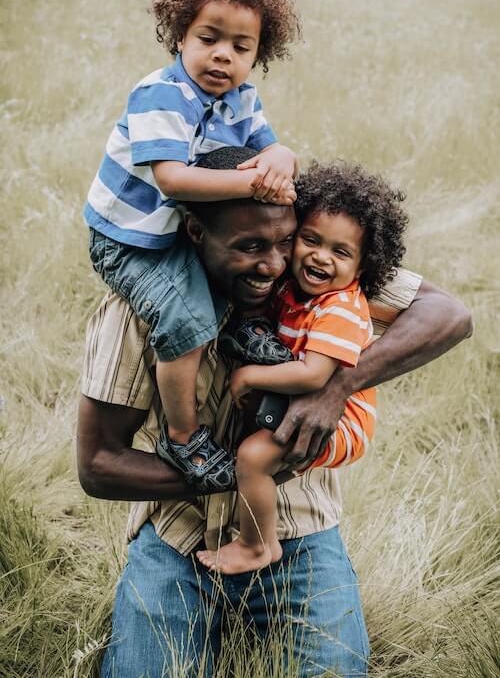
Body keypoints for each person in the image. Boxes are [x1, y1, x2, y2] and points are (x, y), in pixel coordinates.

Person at [77, 147, 472, 678]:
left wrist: (337, 387)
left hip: (300, 529)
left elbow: (449, 314)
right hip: (177, 536)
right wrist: (244, 473)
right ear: (195, 233)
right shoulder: (141, 308)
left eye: (285, 241)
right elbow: (98, 464)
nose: (271, 263)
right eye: (248, 247)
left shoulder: (314, 273)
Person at [83, 0, 301, 489]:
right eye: (209, 38)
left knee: (231, 269)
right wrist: (257, 179)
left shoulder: (242, 97)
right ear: (179, 35)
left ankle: (237, 331)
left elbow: (270, 148)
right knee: (184, 318)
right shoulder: (162, 93)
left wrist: (283, 157)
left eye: (240, 46)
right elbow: (174, 180)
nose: (222, 56)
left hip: (180, 232)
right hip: (130, 239)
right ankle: (183, 438)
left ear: (258, 55)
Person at [196, 161, 408, 574]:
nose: (321, 257)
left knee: (254, 456)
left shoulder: (341, 307)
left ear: (362, 267)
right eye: (311, 240)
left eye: (340, 252)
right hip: (308, 397)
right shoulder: (299, 293)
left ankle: (258, 545)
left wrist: (249, 375)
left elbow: (314, 376)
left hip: (343, 421)